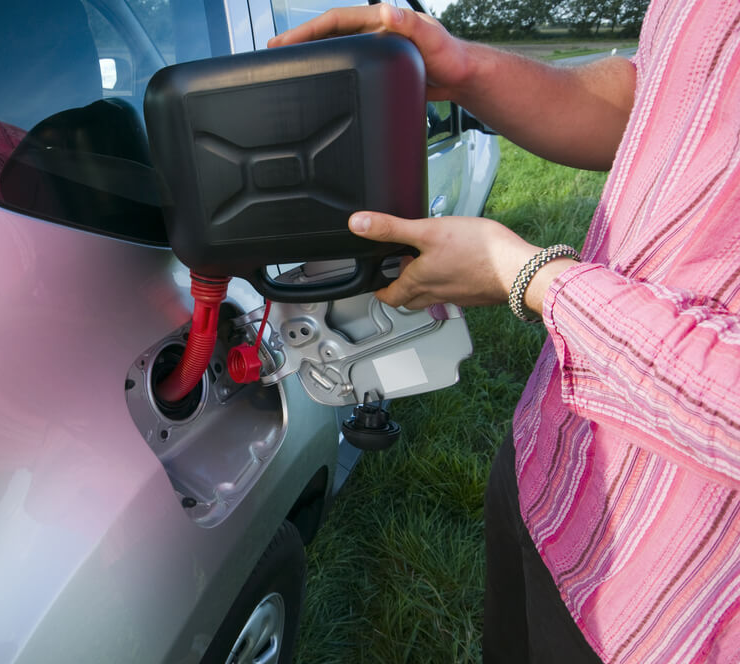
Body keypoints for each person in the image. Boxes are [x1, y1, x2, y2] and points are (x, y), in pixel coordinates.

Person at [270, 1, 740, 662]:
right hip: (551, 459)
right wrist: (465, 69)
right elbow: (666, 100)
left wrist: (528, 277)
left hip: (669, 599)